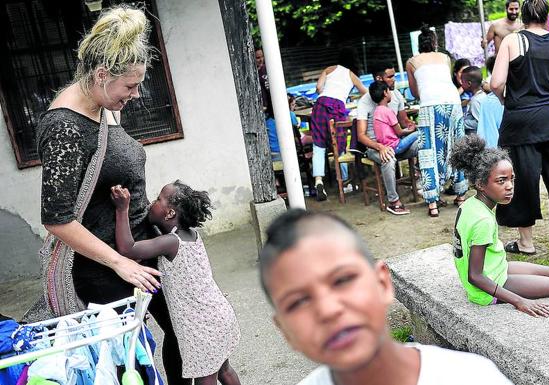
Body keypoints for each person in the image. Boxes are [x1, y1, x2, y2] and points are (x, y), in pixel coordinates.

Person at [36, 6, 185, 383]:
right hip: (105, 270)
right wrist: (120, 264)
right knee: (125, 364)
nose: (136, 95)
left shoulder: (99, 106)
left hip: (137, 250)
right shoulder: (65, 127)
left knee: (189, 335)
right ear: (102, 75)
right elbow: (56, 218)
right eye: (130, 86)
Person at [258, 209, 514, 385]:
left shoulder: (472, 378)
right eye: (298, 302)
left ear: (382, 282)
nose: (327, 310)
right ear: (284, 331)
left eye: (343, 280)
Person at [111, 182, 241, 385]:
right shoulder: (193, 235)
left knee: (205, 379)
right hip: (218, 316)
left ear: (170, 213)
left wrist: (122, 209)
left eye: (157, 200)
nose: (151, 203)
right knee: (224, 370)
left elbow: (127, 249)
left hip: (201, 327)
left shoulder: (171, 243)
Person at [491, 0, 549, 259]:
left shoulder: (512, 41)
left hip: (521, 122)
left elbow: (496, 82)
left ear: (523, 16)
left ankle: (526, 243)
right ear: (548, 16)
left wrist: (506, 100)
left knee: (521, 180)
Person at [449, 135, 549, 315]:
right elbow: (475, 276)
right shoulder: (483, 221)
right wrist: (520, 301)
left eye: (511, 179)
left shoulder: (469, 205)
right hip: (489, 286)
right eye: (501, 181)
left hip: (496, 268)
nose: (509, 186)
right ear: (481, 184)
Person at [406, 27, 467, 217]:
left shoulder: (411, 62)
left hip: (430, 105)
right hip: (453, 102)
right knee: (457, 146)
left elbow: (415, 92)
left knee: (429, 151)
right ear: (435, 42)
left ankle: (432, 202)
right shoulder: (445, 58)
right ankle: (461, 195)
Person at [356, 64, 417, 215]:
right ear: (379, 78)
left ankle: (427, 185)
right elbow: (361, 135)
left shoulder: (396, 95)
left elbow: (403, 122)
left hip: (396, 143)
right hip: (375, 147)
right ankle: (394, 202)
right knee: (388, 158)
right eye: (390, 76)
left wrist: (411, 125)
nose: (394, 79)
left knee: (423, 143)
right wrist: (380, 147)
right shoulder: (364, 101)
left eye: (394, 75)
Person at [310, 47, 368, 201]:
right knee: (339, 144)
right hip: (337, 108)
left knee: (318, 144)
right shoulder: (352, 75)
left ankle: (318, 180)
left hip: (320, 105)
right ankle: (344, 180)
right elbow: (366, 92)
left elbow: (318, 88)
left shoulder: (329, 69)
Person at [369, 82, 418, 159]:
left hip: (386, 147)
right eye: (389, 91)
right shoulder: (388, 111)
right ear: (385, 93)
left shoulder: (376, 111)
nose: (390, 93)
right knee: (420, 132)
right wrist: (412, 130)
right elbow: (399, 133)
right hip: (396, 147)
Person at [460, 66, 487, 136]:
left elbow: (479, 122)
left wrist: (461, 122)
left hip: (477, 138)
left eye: (462, 81)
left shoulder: (475, 101)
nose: (461, 84)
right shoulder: (483, 96)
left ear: (469, 84)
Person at [256, 48, 270, 112]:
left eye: (262, 56)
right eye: (258, 58)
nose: (261, 60)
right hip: (262, 109)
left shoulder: (268, 69)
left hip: (271, 107)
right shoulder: (251, 74)